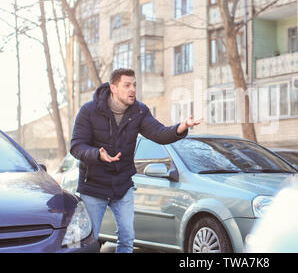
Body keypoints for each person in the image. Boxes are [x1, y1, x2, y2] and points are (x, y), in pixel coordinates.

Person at [70, 68, 201, 253]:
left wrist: (181, 127)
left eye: (134, 85)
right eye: (127, 85)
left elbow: (159, 133)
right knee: (88, 240)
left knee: (127, 238)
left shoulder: (139, 111)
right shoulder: (89, 111)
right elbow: (76, 146)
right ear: (113, 88)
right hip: (93, 186)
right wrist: (97, 154)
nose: (132, 89)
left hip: (122, 186)